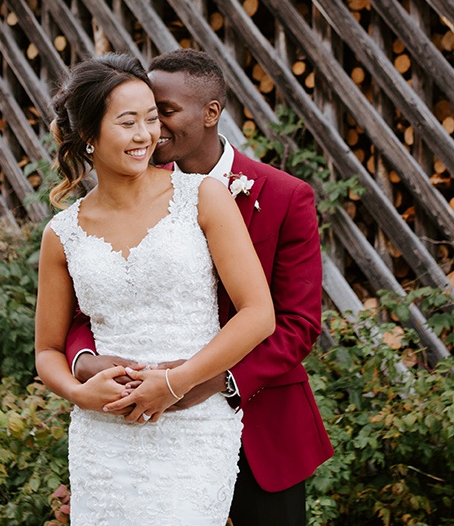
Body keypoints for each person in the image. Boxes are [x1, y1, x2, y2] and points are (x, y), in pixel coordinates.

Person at [66, 49, 334, 526]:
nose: (152, 129)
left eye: (163, 112)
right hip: (143, 423)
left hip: (259, 423)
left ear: (211, 113)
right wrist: (88, 362)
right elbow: (93, 307)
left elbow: (298, 324)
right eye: (145, 113)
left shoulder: (284, 196)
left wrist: (203, 381)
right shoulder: (123, 195)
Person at [34, 53, 275, 524]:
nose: (146, 134)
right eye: (128, 122)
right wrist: (80, 394)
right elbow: (46, 349)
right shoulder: (62, 234)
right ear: (89, 136)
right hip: (104, 436)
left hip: (191, 429)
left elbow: (258, 313)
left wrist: (173, 383)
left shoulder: (203, 197)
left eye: (151, 118)